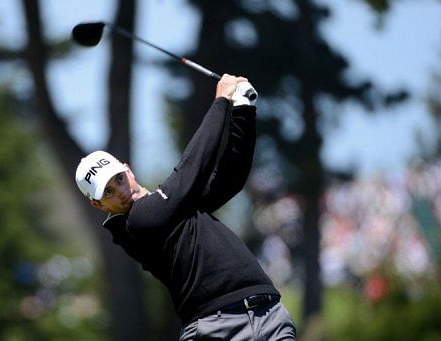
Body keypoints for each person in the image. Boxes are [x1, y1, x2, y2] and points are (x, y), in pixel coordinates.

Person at [75, 74, 296, 340]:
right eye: (108, 192)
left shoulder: (173, 207)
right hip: (216, 329)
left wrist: (243, 110)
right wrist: (221, 102)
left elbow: (231, 176)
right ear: (98, 205)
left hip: (269, 314)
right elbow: (193, 167)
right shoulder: (138, 223)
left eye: (119, 180)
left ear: (128, 169)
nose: (121, 192)